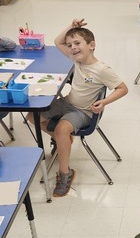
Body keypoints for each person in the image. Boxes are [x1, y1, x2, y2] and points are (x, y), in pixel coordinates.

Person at [43, 20, 128, 197]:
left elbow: (123, 88)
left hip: (83, 111)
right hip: (68, 102)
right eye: (70, 45)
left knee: (61, 129)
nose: (72, 48)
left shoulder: (102, 69)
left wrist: (104, 102)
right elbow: (57, 42)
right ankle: (62, 141)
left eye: (77, 43)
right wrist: (70, 26)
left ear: (91, 45)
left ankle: (65, 173)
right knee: (33, 116)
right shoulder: (76, 59)